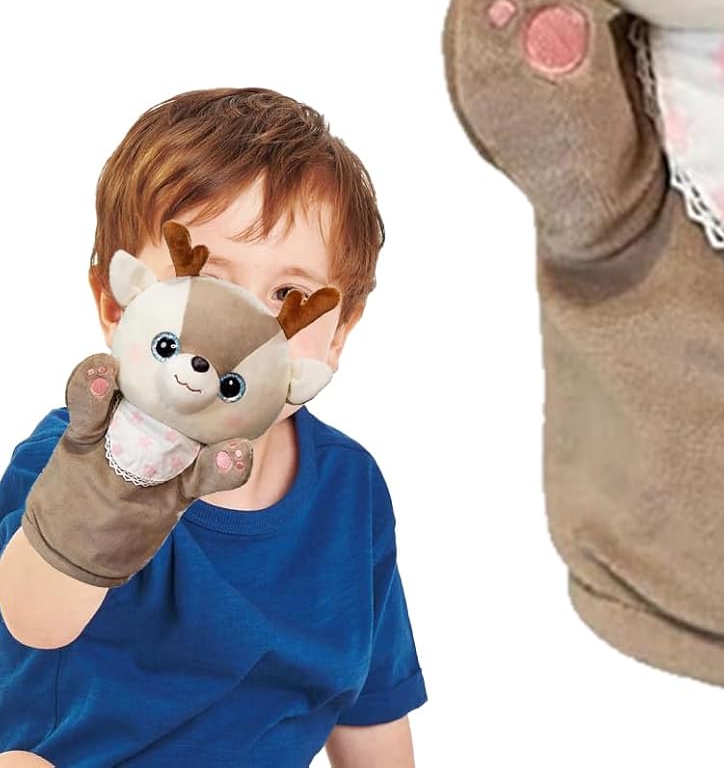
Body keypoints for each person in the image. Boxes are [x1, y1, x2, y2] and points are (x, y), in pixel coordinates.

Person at [0, 88, 425, 766]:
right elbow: (33, 619)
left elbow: (372, 711)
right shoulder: (73, 453)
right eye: (205, 282)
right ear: (117, 305)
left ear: (339, 336)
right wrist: (117, 484)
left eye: (288, 296)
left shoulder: (351, 488)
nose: (239, 330)